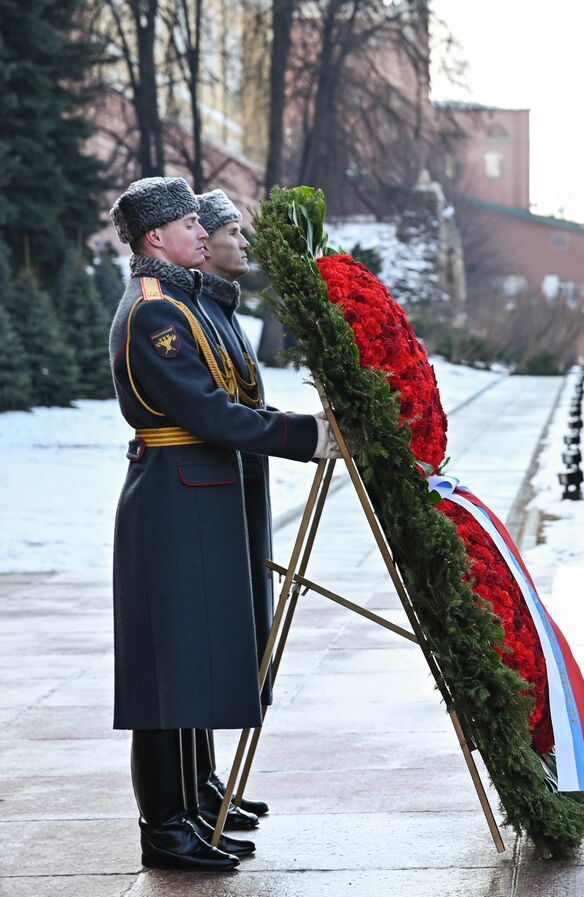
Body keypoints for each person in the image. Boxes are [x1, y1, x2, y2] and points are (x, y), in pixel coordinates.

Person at [107, 176, 339, 870]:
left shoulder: (178, 297)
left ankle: (190, 807)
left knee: (189, 657)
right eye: (188, 224)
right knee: (166, 672)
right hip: (172, 495)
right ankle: (166, 827)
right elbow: (208, 410)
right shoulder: (154, 311)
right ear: (156, 237)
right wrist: (306, 437)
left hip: (196, 490)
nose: (203, 233)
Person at [192, 188, 279, 830]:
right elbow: (216, 409)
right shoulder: (172, 312)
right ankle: (188, 797)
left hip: (232, 480)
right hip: (201, 487)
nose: (241, 243)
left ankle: (203, 785)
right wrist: (302, 436)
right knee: (197, 643)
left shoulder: (219, 308)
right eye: (233, 233)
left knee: (228, 633)